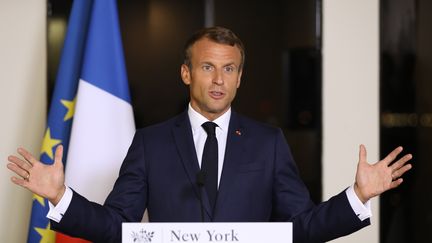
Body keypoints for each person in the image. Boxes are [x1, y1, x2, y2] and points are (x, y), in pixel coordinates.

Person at [6, 26, 412, 243]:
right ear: (187, 73)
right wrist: (61, 197)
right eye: (207, 67)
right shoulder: (151, 143)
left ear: (239, 78)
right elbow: (117, 228)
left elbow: (302, 228)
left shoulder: (267, 144)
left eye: (229, 69)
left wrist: (357, 197)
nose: (219, 80)